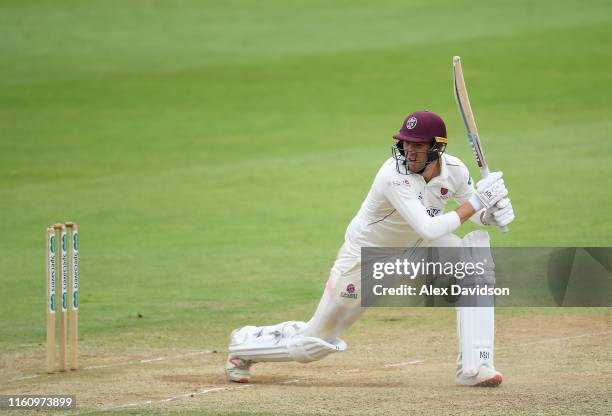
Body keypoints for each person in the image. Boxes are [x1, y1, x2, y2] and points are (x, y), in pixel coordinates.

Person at [225, 110, 515, 386]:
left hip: (414, 249)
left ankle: (475, 366)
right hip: (367, 259)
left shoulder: (455, 169)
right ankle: (246, 344)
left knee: (474, 258)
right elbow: (429, 226)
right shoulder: (393, 175)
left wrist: (490, 213)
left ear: (437, 148)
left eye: (418, 145)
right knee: (313, 344)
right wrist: (479, 201)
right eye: (405, 144)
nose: (409, 151)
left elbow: (471, 213)